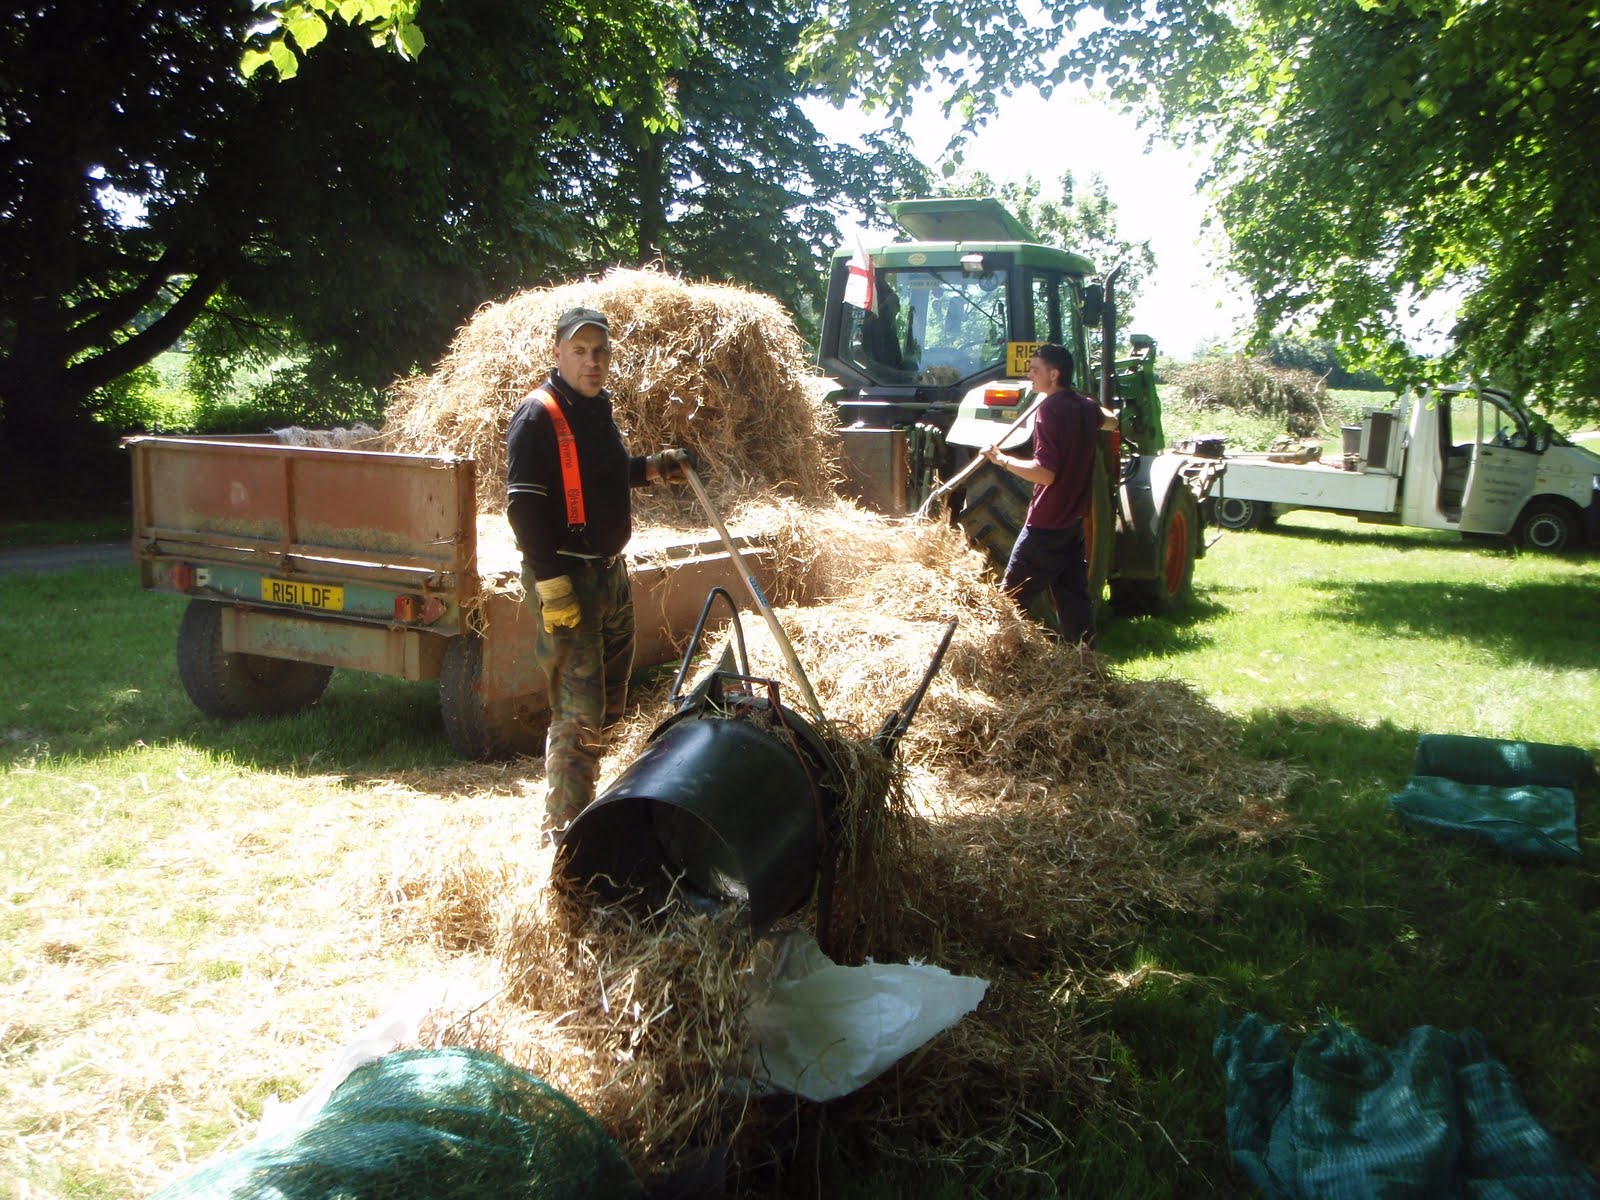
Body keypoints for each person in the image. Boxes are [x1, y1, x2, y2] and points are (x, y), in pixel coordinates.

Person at [505, 306, 695, 837]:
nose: (593, 362)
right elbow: (522, 507)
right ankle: (561, 835)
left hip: (609, 576)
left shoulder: (596, 411)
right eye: (581, 351)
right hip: (568, 580)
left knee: (610, 702)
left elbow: (605, 478)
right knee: (578, 712)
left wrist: (654, 467)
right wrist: (551, 584)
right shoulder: (538, 416)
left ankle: (589, 812)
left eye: (601, 351)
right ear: (558, 353)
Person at [979, 342, 1107, 647]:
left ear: (1054, 374)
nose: (1029, 376)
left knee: (1008, 602)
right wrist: (1091, 405)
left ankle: (1000, 663)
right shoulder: (1087, 409)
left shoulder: (1048, 410)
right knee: (1075, 607)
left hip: (1045, 526)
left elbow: (1045, 474)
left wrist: (1001, 460)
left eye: (1035, 370)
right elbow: (1111, 421)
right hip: (1071, 526)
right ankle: (1086, 671)